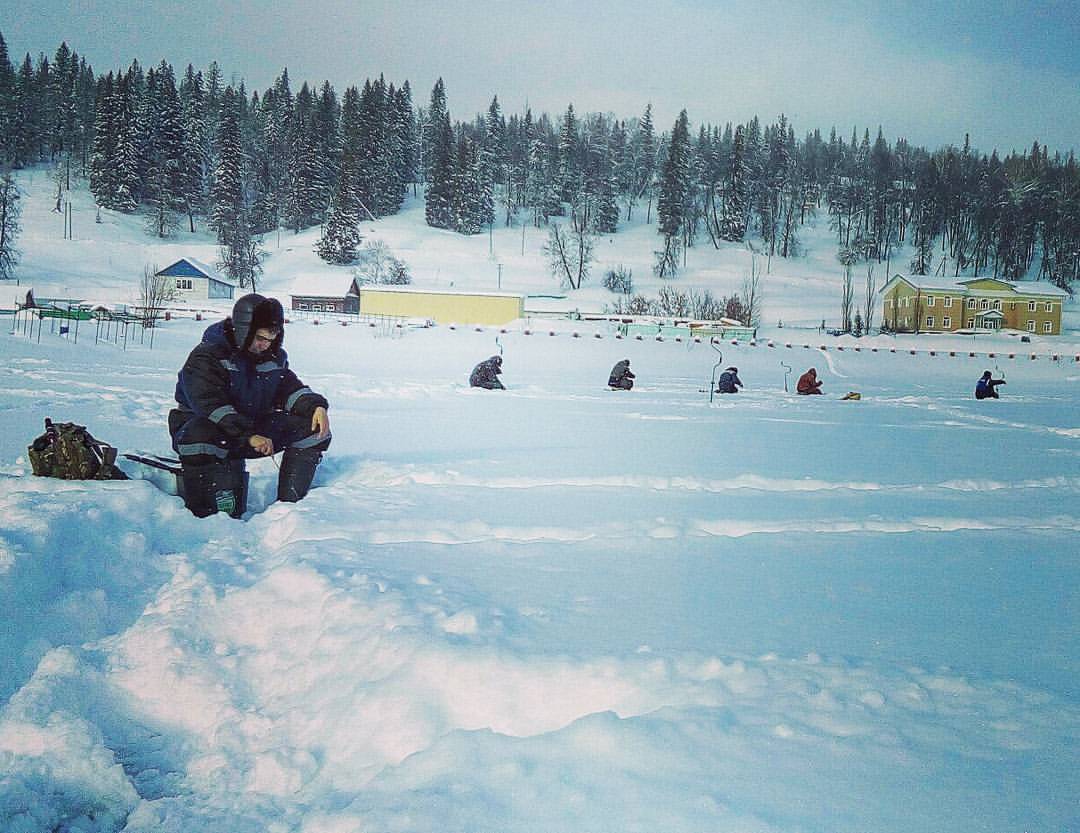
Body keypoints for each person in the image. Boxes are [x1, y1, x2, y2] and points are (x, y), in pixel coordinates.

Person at [170, 293, 331, 518]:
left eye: (271, 339)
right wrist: (248, 436)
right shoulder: (207, 356)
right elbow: (211, 406)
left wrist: (316, 407)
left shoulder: (272, 357)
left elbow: (289, 389)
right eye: (260, 338)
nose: (265, 345)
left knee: (315, 430)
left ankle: (290, 508)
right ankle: (205, 514)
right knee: (199, 433)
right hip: (209, 429)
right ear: (243, 330)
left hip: (250, 428)